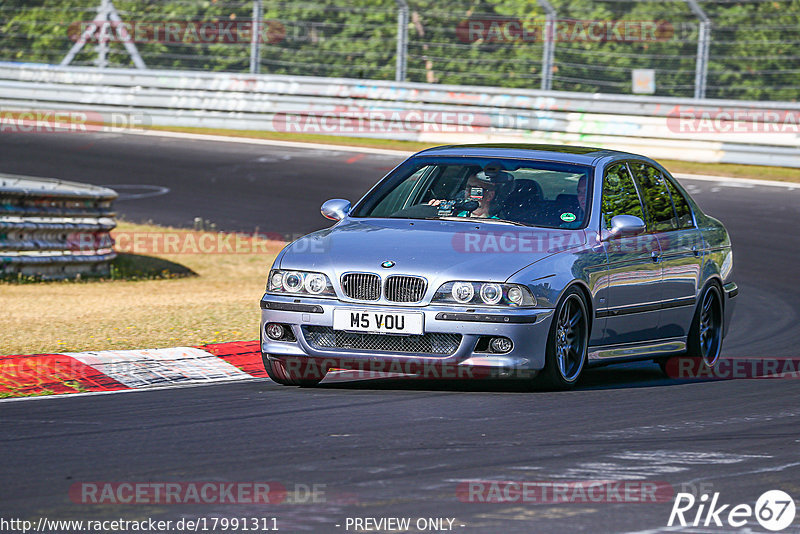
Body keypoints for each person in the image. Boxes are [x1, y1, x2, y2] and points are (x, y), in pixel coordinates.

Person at [428, 173, 498, 218]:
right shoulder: (454, 215)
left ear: (490, 195)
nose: (469, 193)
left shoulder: (498, 224)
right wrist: (435, 211)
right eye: (468, 188)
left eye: (476, 190)